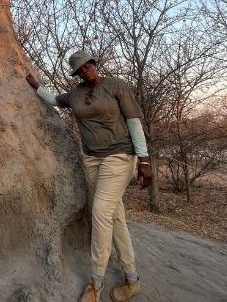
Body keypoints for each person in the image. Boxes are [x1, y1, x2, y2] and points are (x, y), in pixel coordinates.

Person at [26, 50, 152, 302]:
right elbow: (54, 100)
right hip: (93, 159)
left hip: (120, 156)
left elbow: (134, 121)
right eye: (79, 70)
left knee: (100, 213)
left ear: (94, 63)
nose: (85, 70)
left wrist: (144, 159)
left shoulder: (116, 85)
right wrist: (36, 86)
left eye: (87, 65)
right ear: (76, 74)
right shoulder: (75, 94)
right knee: (115, 217)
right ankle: (132, 279)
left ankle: (95, 284)